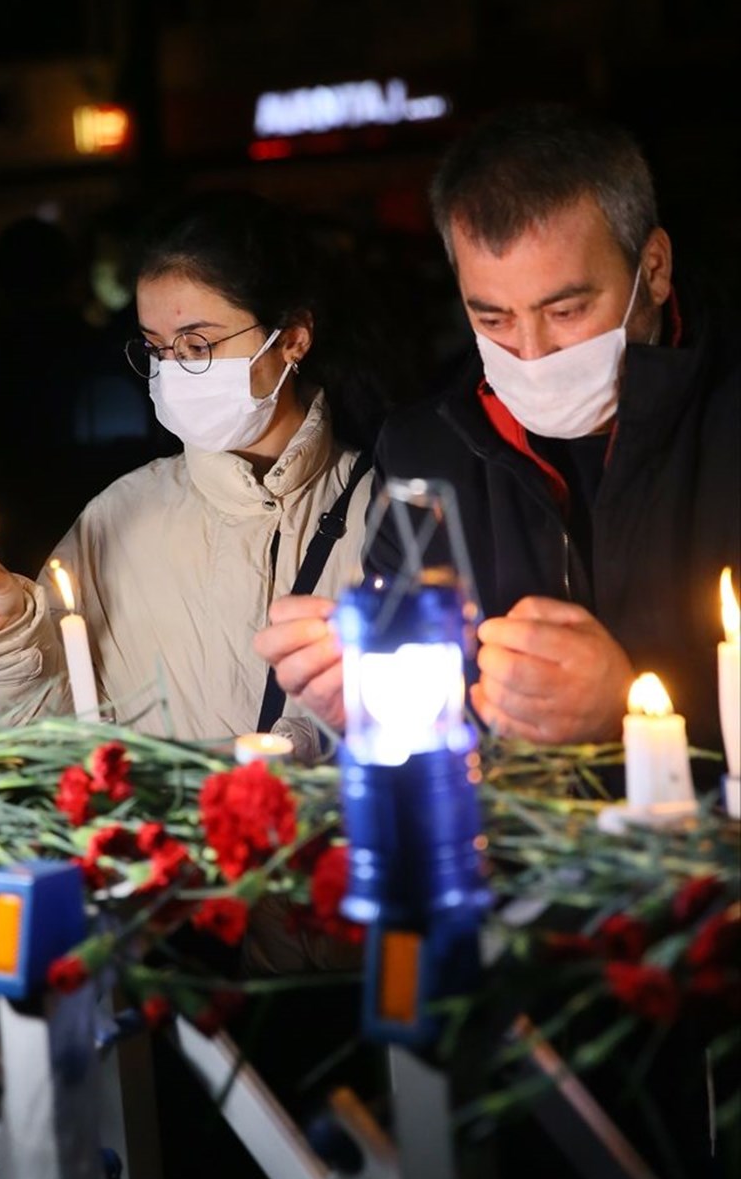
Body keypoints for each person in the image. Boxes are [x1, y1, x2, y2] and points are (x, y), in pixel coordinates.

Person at [255, 104, 740, 754]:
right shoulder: (426, 451)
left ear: (652, 269)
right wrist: (374, 712)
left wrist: (637, 713)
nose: (531, 354)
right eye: (493, 318)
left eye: (566, 309)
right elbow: (438, 724)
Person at [0, 190, 386, 746]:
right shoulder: (120, 514)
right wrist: (4, 637)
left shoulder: (384, 512)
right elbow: (41, 742)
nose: (175, 370)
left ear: (292, 339)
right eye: (158, 349)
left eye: (198, 345)